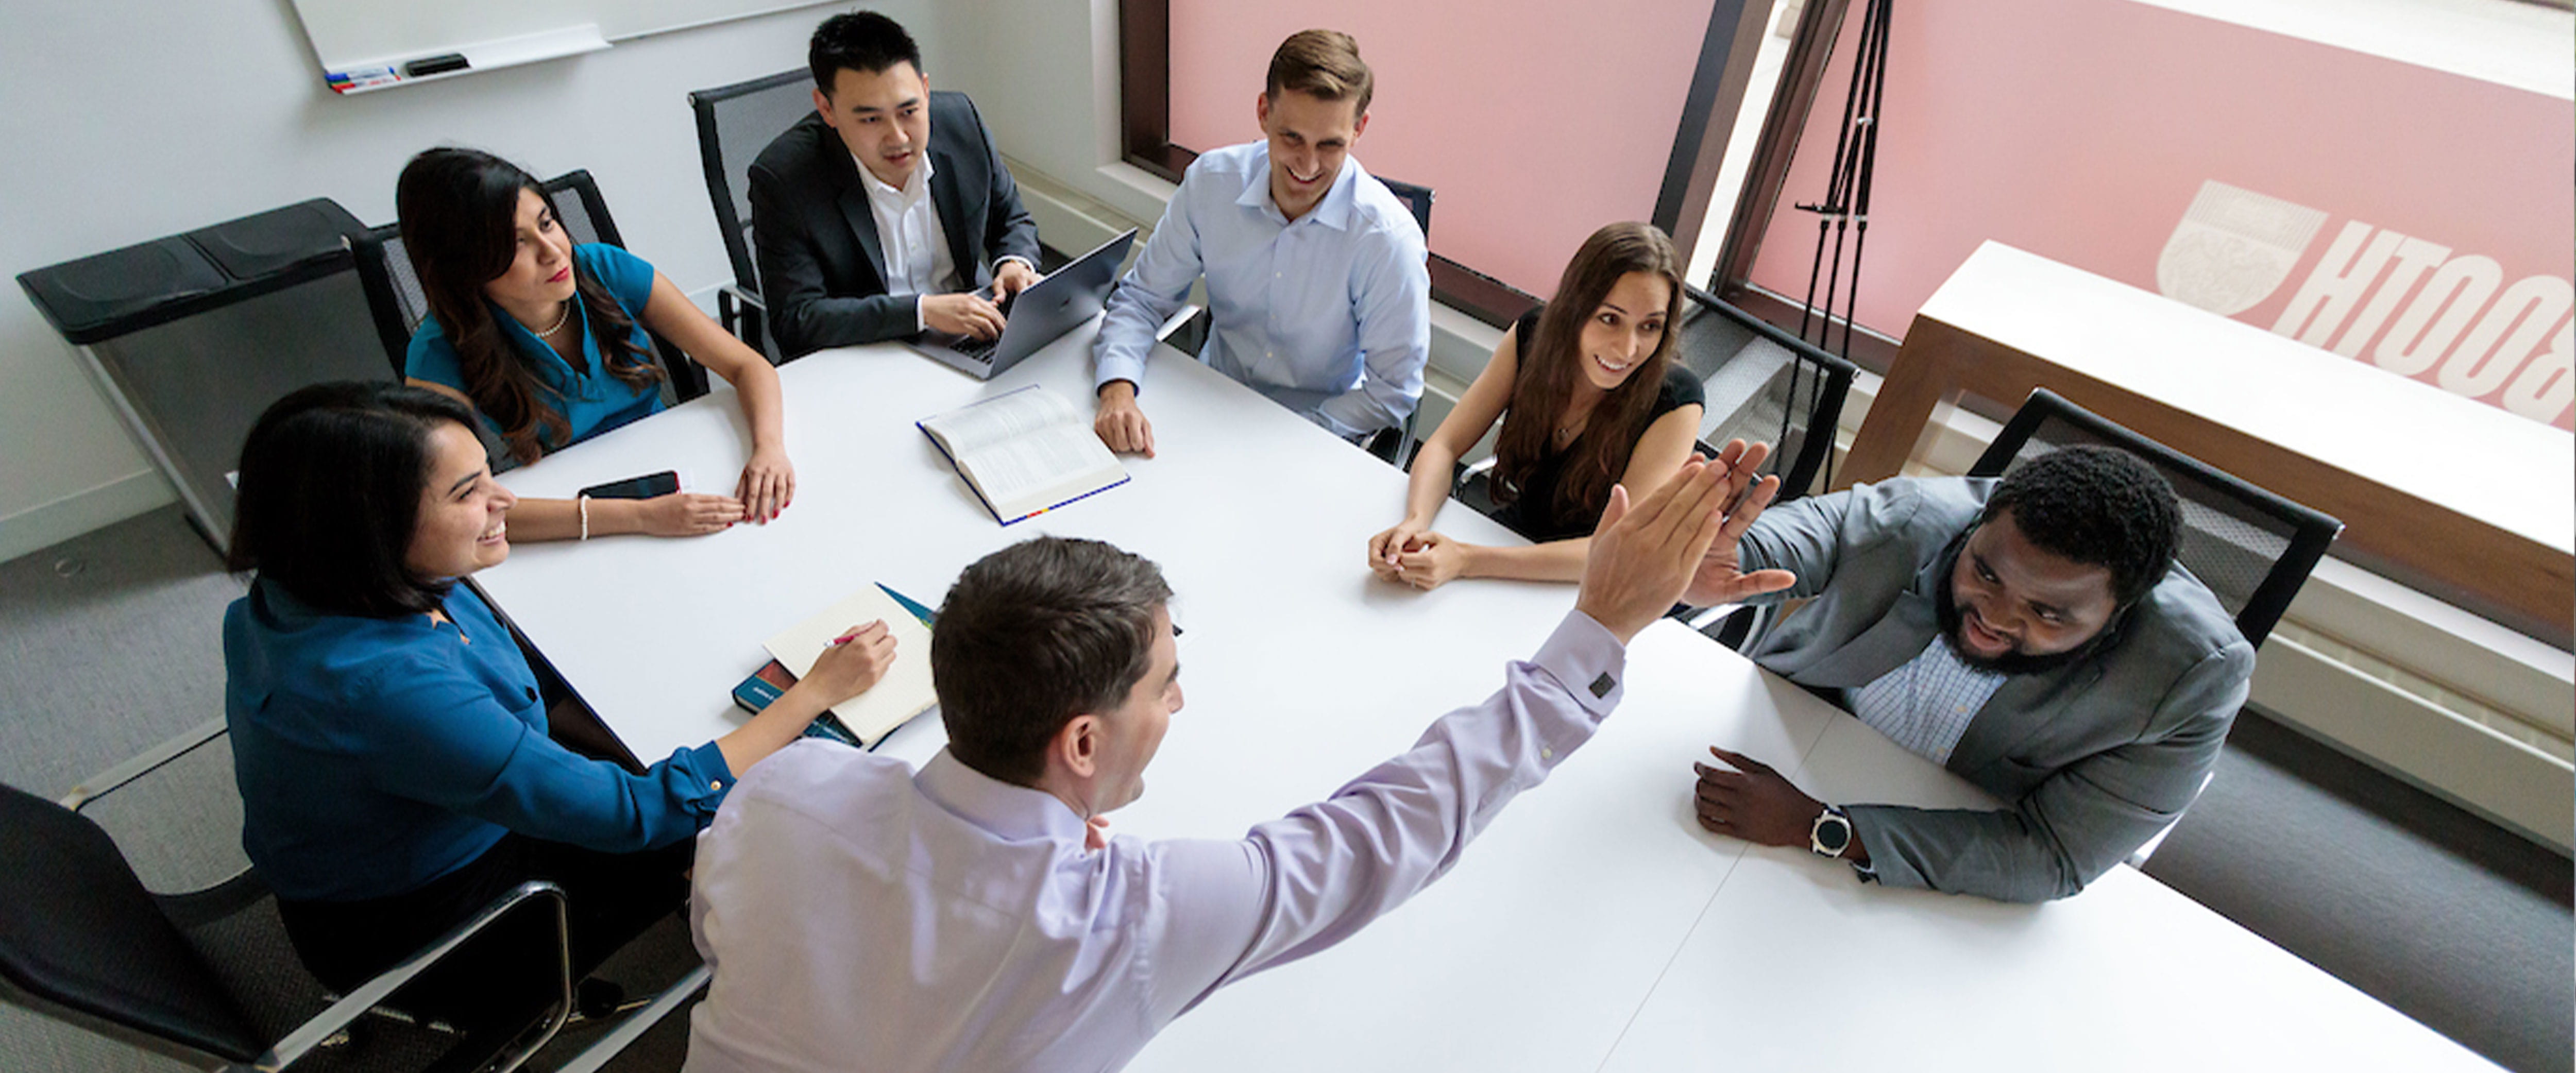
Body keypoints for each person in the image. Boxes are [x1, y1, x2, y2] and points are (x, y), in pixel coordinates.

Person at [682, 445, 1780, 1072]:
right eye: (1163, 683)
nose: (1180, 700)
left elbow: (725, 935)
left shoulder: (782, 792)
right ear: (1080, 743)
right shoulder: (1128, 920)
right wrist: (1603, 624)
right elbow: (1387, 832)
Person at [221, 382, 895, 1022]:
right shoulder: (386, 689)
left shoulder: (325, 586)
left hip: (402, 839)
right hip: (449, 929)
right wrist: (815, 690)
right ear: (369, 526)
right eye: (468, 492)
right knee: (762, 817)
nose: (503, 500)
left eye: (489, 473)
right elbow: (637, 814)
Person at [1682, 445, 2256, 902]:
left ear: (2119, 614)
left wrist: (1824, 828)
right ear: (1978, 525)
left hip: (1947, 847)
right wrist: (1706, 562)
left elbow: (2053, 856)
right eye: (1985, 573)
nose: (1993, 616)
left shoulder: (2194, 677)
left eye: (2046, 613)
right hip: (1793, 739)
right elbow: (1798, 534)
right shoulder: (1920, 517)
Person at [397, 147, 795, 537]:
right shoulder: (437, 352)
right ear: (464, 267)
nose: (554, 252)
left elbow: (747, 366)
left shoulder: (605, 267)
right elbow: (456, 508)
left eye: (548, 222)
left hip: (674, 464)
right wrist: (639, 517)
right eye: (516, 243)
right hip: (561, 512)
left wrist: (770, 449)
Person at [1090, 28, 1430, 457]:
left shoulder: (1387, 241)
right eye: (1292, 138)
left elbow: (1393, 391)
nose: (1308, 166)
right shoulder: (1212, 184)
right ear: (1264, 113)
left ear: (1359, 129)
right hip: (1208, 403)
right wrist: (1117, 390)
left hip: (1317, 436)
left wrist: (1286, 440)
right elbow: (1142, 300)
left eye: (1330, 145)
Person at [1368, 222, 1705, 590]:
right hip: (1509, 546)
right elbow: (1446, 444)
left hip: (1590, 585)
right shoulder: (1534, 336)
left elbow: (1616, 547)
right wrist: (1416, 521)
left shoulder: (1676, 399)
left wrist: (1467, 559)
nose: (1627, 349)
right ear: (1576, 307)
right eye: (1610, 319)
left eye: (1650, 327)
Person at [749, 10, 1043, 359]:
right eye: (871, 119)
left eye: (909, 111)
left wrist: (1014, 262)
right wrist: (922, 312)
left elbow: (1010, 217)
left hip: (973, 334)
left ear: (926, 90)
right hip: (871, 353)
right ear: (826, 109)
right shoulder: (784, 179)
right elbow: (798, 319)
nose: (899, 137)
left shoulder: (963, 123)